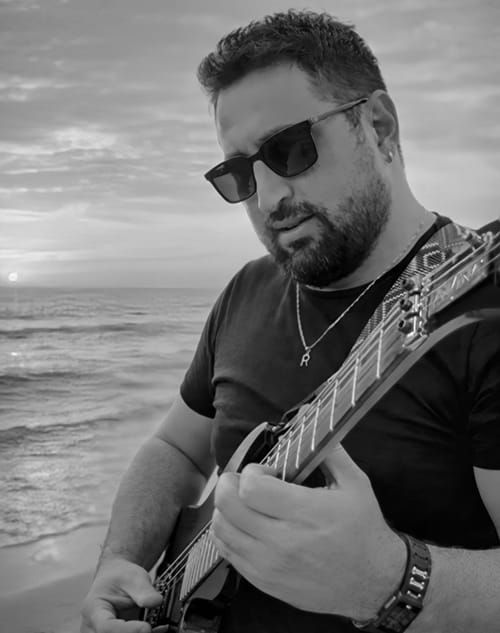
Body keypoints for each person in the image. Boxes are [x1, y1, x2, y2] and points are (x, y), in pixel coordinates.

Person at [80, 10, 500, 633]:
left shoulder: (482, 310)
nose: (269, 198)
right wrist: (120, 561)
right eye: (240, 173)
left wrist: (394, 579)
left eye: (291, 149)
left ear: (379, 126)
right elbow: (176, 449)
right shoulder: (247, 290)